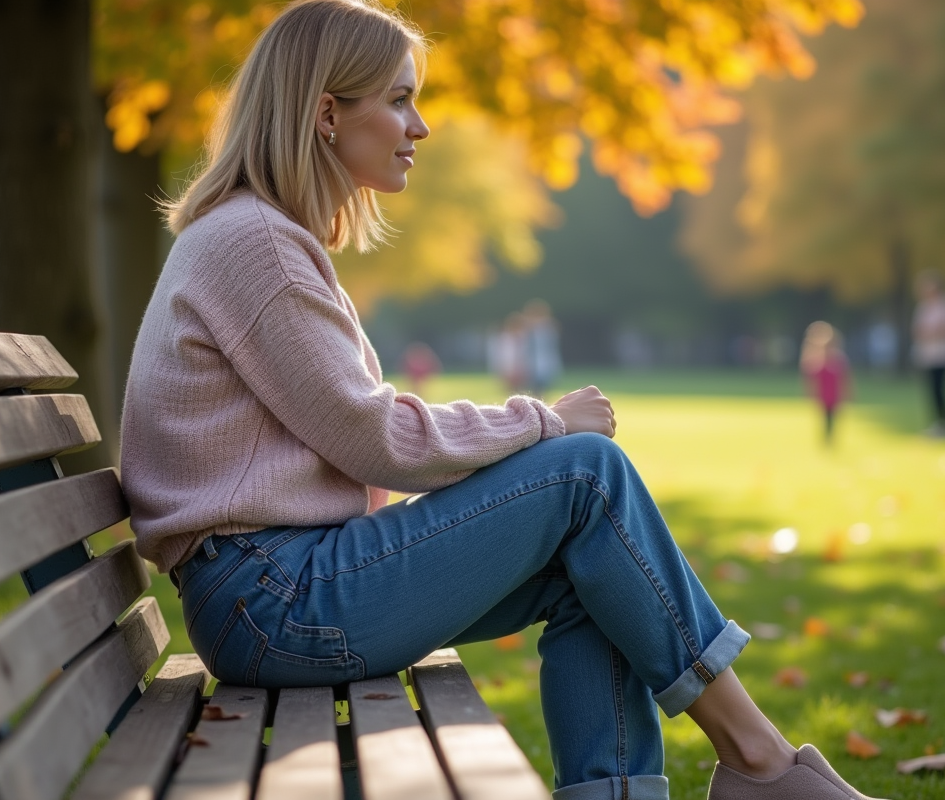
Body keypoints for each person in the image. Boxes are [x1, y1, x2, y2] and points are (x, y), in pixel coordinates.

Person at [119, 3, 886, 798]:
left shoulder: (257, 237)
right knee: (587, 472)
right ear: (325, 113)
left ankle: (699, 777)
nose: (419, 126)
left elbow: (358, 428)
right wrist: (544, 421)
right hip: (274, 602)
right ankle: (760, 762)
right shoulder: (256, 244)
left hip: (273, 592)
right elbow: (376, 437)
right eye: (399, 99)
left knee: (600, 572)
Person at [912, 271, 945, 437]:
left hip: (944, 355)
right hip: (928, 355)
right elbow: (919, 331)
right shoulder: (924, 308)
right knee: (931, 391)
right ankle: (937, 423)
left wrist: (934, 332)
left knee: (942, 389)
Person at [800, 322, 850, 446]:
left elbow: (844, 379)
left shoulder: (838, 360)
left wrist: (846, 393)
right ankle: (826, 439)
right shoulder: (817, 360)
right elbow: (810, 378)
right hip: (823, 397)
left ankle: (830, 439)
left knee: (832, 419)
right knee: (825, 419)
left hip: (834, 396)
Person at [523, 299, 563, 397]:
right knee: (533, 389)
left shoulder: (548, 328)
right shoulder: (527, 329)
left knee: (542, 388)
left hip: (544, 363)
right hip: (531, 364)